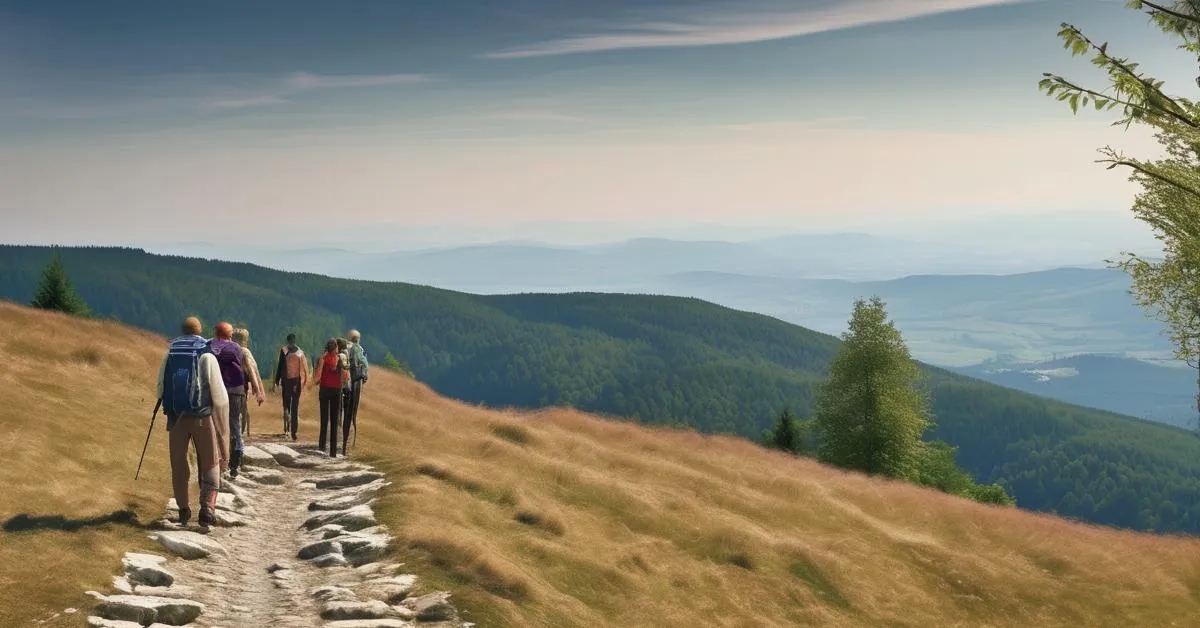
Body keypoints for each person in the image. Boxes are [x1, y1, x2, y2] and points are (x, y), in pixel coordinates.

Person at [156, 316, 229, 528]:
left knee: (179, 463)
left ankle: (183, 508)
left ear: (182, 330)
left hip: (176, 418)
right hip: (201, 417)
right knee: (209, 461)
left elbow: (160, 388)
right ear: (199, 330)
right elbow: (220, 397)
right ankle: (207, 508)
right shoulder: (206, 354)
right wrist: (222, 428)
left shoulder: (171, 352)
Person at [208, 322, 249, 477]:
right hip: (236, 389)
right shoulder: (237, 348)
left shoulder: (210, 346)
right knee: (234, 424)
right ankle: (235, 461)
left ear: (216, 333)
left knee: (215, 424)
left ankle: (218, 460)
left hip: (216, 390)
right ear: (229, 334)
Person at [231, 327, 266, 471]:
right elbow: (253, 371)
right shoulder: (245, 352)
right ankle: (237, 453)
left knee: (230, 422)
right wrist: (259, 391)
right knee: (238, 421)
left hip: (224, 390)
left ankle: (230, 452)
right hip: (240, 391)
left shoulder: (225, 348)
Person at [313, 338, 347, 457]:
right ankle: (333, 452)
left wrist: (314, 380)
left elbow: (317, 378)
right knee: (334, 422)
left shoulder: (323, 359)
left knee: (324, 420)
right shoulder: (339, 359)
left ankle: (322, 447)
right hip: (336, 391)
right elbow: (345, 378)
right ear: (336, 348)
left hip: (324, 390)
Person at [273, 333, 307, 440]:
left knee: (287, 405)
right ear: (294, 340)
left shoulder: (284, 351)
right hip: (296, 382)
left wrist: (277, 379)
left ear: (288, 341)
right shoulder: (300, 353)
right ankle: (293, 431)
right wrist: (304, 381)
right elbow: (304, 369)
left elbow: (280, 366)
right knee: (294, 406)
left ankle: (287, 429)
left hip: (287, 382)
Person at [344, 329, 369, 447]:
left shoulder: (348, 348)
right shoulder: (361, 349)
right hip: (358, 382)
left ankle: (345, 439)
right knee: (354, 410)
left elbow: (350, 364)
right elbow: (365, 368)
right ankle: (349, 439)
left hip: (348, 383)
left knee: (347, 411)